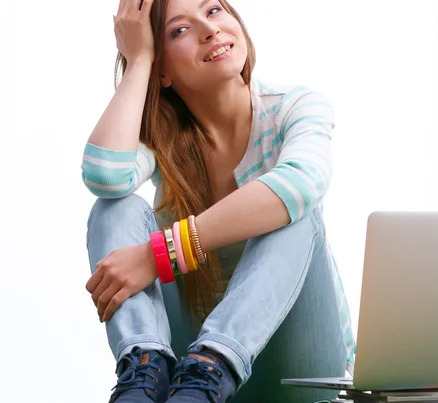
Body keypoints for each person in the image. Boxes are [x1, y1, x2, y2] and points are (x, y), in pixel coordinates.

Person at [81, 0, 355, 402]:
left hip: (296, 369)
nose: (208, 30)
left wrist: (161, 254)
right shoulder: (163, 141)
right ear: (164, 71)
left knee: (293, 209)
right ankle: (144, 373)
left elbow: (302, 183)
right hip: (184, 376)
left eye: (213, 11)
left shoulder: (294, 107)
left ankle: (214, 362)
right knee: (114, 206)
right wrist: (138, 61)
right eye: (179, 30)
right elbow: (106, 174)